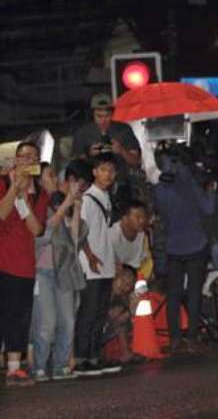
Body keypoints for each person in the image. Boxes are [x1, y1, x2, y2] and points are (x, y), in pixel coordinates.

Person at [153, 150, 215, 354]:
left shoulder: (160, 189)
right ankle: (192, 338)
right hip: (196, 244)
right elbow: (208, 209)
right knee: (194, 293)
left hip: (173, 246)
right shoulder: (190, 186)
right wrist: (211, 191)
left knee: (174, 293)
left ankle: (175, 339)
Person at [30, 164, 87, 382]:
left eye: (55, 175)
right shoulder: (36, 203)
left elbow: (75, 238)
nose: (55, 179)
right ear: (39, 180)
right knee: (47, 322)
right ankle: (40, 366)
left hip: (64, 269)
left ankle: (61, 364)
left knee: (68, 320)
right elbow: (45, 230)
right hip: (42, 271)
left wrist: (77, 206)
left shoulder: (59, 201)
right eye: (50, 175)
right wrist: (67, 202)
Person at [0, 141, 48, 387]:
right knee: (4, 316)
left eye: (31, 157)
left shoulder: (39, 193)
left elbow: (37, 229)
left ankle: (14, 370)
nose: (26, 161)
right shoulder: (2, 183)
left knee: (19, 318)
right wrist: (13, 189)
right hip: (3, 262)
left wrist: (22, 198)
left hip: (25, 265)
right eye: (22, 156)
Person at [74, 153, 122, 377]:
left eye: (111, 171)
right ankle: (82, 358)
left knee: (100, 312)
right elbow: (79, 230)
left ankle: (94, 355)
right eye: (103, 170)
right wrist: (90, 255)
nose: (108, 175)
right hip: (91, 265)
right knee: (89, 311)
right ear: (94, 172)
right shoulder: (87, 199)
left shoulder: (105, 197)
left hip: (105, 263)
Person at [71, 93, 141, 218]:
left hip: (120, 186)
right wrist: (89, 154)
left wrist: (121, 150)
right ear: (93, 114)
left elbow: (135, 161)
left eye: (107, 116)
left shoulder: (124, 130)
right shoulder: (83, 133)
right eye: (99, 116)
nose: (103, 120)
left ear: (112, 114)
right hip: (92, 188)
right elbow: (75, 167)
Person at [110, 199, 149, 271]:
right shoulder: (112, 236)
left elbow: (142, 262)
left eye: (144, 216)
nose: (142, 220)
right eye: (138, 217)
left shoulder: (142, 235)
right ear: (125, 218)